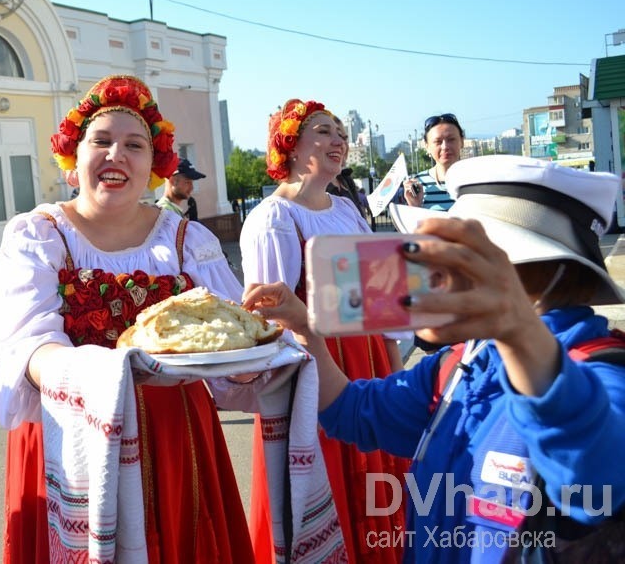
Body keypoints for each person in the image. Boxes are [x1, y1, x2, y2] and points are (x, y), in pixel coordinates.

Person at [0, 75, 335, 564]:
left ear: (154, 165)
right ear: (73, 157)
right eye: (100, 141)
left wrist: (269, 347)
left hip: (177, 436)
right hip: (74, 434)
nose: (116, 155)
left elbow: (231, 351)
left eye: (134, 145)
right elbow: (25, 346)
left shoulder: (185, 241)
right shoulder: (39, 237)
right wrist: (101, 377)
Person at [245, 154, 625, 563]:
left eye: (459, 259)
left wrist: (518, 333)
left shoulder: (601, 369)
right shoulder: (462, 364)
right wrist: (306, 330)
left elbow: (597, 477)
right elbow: (352, 411)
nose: (432, 273)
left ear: (530, 268)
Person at [239, 98, 407, 564]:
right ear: (290, 148)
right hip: (314, 369)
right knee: (327, 480)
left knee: (376, 468)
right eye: (323, 131)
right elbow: (270, 322)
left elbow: (378, 300)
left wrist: (393, 372)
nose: (338, 141)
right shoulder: (273, 219)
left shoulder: (346, 208)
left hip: (367, 358)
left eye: (340, 133)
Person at [403, 113, 465, 211]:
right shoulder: (418, 184)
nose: (445, 147)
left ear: (462, 141)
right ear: (427, 146)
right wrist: (415, 207)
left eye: (451, 139)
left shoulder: (477, 180)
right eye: (438, 142)